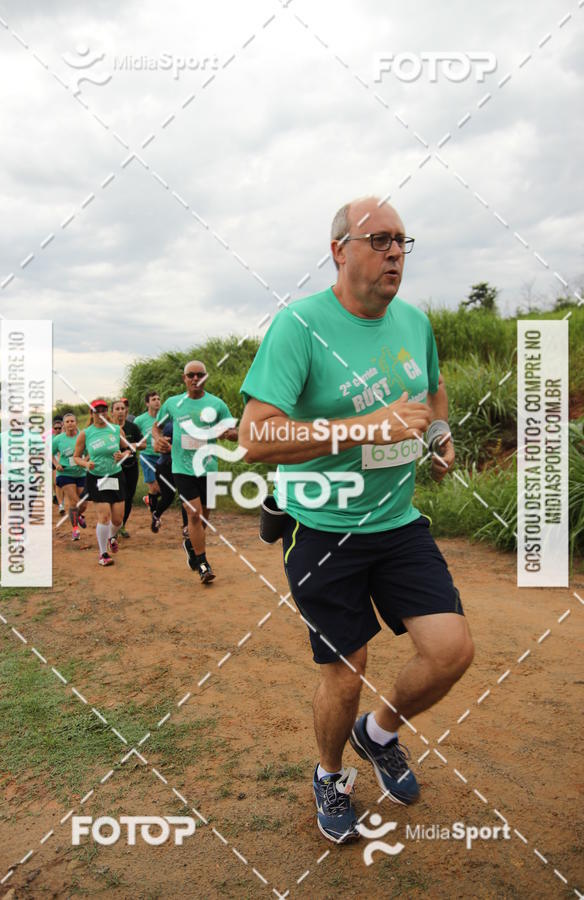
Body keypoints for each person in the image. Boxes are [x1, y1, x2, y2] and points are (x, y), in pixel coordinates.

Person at [239, 197, 473, 843]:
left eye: (403, 241)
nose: (396, 252)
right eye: (380, 239)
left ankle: (381, 732)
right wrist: (364, 428)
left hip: (397, 523)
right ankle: (330, 773)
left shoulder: (415, 323)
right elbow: (255, 437)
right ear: (341, 250)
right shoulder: (299, 326)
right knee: (347, 670)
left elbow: (433, 386)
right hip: (321, 527)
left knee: (452, 651)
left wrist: (440, 432)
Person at [152, 361, 237, 584]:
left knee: (204, 518)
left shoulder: (217, 404)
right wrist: (157, 439)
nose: (195, 378)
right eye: (191, 375)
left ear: (205, 378)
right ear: (184, 378)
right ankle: (202, 563)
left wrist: (230, 434)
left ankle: (190, 543)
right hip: (182, 467)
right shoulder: (173, 403)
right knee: (194, 514)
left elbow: (233, 430)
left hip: (208, 467)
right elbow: (156, 426)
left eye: (200, 375)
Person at [73, 399, 132, 567]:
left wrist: (123, 455)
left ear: (107, 412)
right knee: (104, 516)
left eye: (104, 410)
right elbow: (76, 457)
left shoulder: (116, 430)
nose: (101, 414)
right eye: (97, 411)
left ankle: (111, 536)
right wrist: (86, 464)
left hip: (115, 476)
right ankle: (103, 553)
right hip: (96, 477)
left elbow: (128, 449)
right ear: (92, 413)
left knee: (118, 519)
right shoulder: (86, 433)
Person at [52, 412, 88, 541]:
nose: (70, 424)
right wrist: (56, 464)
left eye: (72, 421)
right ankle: (75, 529)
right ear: (63, 425)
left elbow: (90, 452)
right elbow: (49, 453)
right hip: (65, 474)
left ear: (76, 422)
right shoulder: (58, 439)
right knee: (74, 501)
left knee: (83, 504)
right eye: (67, 422)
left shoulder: (83, 436)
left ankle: (78, 516)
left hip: (81, 473)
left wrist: (85, 462)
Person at [149, 420, 189, 536]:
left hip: (183, 467)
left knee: (185, 496)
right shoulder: (169, 423)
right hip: (165, 467)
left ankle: (187, 526)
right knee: (168, 497)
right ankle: (156, 515)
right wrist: (158, 439)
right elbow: (159, 447)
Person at [111, 399, 142, 538]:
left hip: (131, 467)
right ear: (112, 412)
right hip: (113, 468)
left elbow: (144, 444)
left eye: (122, 408)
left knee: (128, 497)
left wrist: (130, 446)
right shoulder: (108, 429)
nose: (120, 411)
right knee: (115, 497)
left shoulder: (133, 427)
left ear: (126, 411)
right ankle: (114, 526)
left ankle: (122, 524)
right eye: (117, 409)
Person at [133, 391, 162, 522]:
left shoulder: (165, 417)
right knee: (154, 487)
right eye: (153, 399)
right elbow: (134, 437)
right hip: (147, 456)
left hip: (162, 456)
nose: (157, 401)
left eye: (158, 399)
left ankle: (148, 499)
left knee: (164, 488)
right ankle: (155, 516)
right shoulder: (139, 420)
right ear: (147, 403)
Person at [51, 417, 65, 511]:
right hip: (53, 461)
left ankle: (61, 503)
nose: (57, 430)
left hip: (64, 461)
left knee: (60, 483)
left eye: (59, 428)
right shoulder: (50, 438)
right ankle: (59, 501)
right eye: (55, 428)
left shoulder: (65, 436)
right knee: (56, 482)